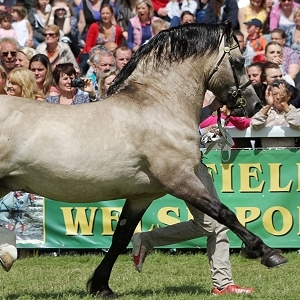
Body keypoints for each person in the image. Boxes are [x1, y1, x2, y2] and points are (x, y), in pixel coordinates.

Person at [131, 100, 255, 296]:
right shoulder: (165, 101)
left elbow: (191, 120)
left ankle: (223, 284)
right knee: (208, 225)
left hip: (196, 165)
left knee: (219, 225)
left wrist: (208, 125)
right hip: (184, 171)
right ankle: (146, 239)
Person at [251, 79, 300, 147]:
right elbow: (254, 125)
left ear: (288, 96)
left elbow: (298, 124)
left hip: (289, 155)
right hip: (267, 155)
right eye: (274, 94)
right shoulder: (265, 111)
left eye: (281, 94)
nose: (278, 97)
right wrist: (268, 106)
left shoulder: (296, 112)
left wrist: (284, 104)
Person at [79, 4, 122, 73]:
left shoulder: (117, 29)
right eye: (103, 13)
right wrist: (96, 56)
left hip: (110, 55)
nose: (105, 16)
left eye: (107, 13)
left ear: (112, 14)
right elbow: (88, 46)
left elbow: (118, 46)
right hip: (94, 53)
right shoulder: (94, 26)